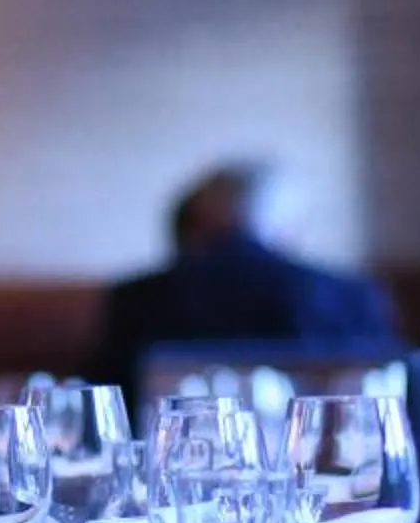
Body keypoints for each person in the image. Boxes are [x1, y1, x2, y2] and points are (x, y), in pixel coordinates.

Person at [87, 161, 400, 394]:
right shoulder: (352, 296)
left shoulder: (138, 298)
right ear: (289, 228)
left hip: (171, 475)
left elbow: (106, 414)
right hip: (332, 475)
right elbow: (392, 399)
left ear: (193, 226)